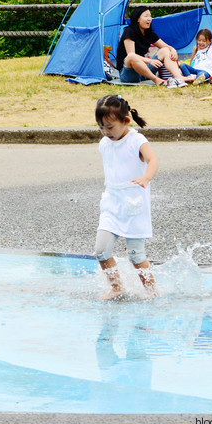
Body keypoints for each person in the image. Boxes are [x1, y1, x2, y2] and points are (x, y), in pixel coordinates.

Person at [93, 95, 159, 300]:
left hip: (133, 204)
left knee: (136, 255)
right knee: (101, 250)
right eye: (101, 127)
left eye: (110, 127)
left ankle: (152, 292)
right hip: (112, 202)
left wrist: (146, 177)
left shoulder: (136, 140)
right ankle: (117, 288)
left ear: (125, 121)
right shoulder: (105, 142)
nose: (105, 132)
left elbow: (152, 160)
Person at [116, 6, 189, 89]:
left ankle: (179, 77)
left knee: (165, 50)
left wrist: (173, 50)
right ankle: (155, 79)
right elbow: (131, 55)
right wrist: (150, 61)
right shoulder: (129, 31)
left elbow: (166, 47)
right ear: (137, 19)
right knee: (131, 56)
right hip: (129, 74)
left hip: (144, 71)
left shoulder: (149, 33)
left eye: (150, 16)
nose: (149, 19)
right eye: (146, 16)